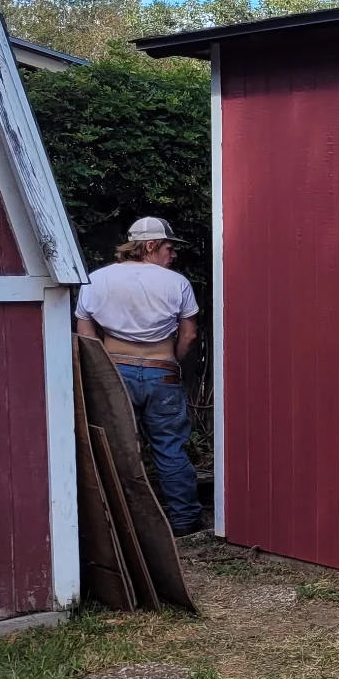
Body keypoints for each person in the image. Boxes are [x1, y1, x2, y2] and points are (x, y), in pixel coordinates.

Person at [75, 217, 204, 536]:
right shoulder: (177, 284)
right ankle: (185, 522)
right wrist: (174, 362)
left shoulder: (96, 279)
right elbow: (189, 334)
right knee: (170, 447)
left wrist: (100, 368)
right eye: (169, 248)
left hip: (113, 372)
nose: (172, 255)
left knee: (117, 447)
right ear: (150, 246)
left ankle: (120, 524)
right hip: (162, 373)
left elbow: (85, 331)